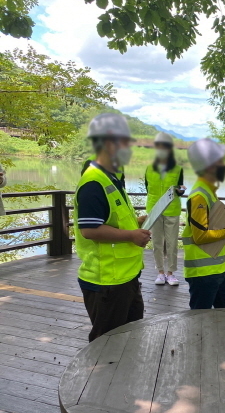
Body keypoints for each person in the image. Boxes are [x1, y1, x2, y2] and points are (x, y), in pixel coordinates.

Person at [74, 113, 150, 342]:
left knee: (130, 338)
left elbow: (111, 219)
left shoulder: (113, 178)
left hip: (126, 277)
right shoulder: (93, 183)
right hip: (106, 281)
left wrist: (135, 224)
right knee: (106, 343)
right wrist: (131, 235)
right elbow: (89, 230)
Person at [183, 138, 225, 309]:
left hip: (220, 269)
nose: (223, 165)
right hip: (203, 274)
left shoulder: (209, 192)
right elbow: (200, 236)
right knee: (199, 323)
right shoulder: (199, 196)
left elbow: (215, 222)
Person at [145, 132, 185, 286]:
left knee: (172, 243)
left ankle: (171, 273)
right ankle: (160, 272)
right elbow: (148, 188)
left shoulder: (177, 168)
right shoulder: (149, 168)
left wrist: (180, 190)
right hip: (154, 209)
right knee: (156, 242)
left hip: (172, 208)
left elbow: (179, 188)